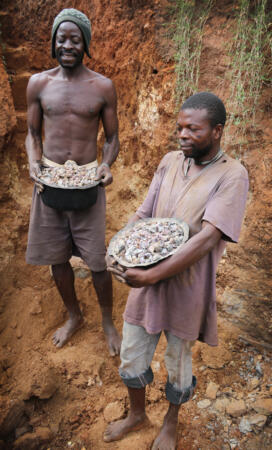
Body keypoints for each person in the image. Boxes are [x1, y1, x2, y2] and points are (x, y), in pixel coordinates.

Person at [104, 92, 249, 448]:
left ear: (216, 131)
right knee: (133, 352)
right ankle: (137, 414)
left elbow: (208, 238)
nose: (182, 134)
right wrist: (118, 248)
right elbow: (144, 213)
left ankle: (171, 422)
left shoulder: (232, 175)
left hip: (187, 286)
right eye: (180, 127)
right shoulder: (170, 161)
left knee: (179, 360)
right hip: (145, 282)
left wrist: (153, 274)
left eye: (192, 129)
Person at [25, 8, 121, 355]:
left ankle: (108, 321)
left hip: (87, 183)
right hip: (49, 182)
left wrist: (106, 166)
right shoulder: (39, 84)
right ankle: (74, 315)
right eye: (61, 38)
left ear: (86, 45)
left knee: (97, 262)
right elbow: (32, 133)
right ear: (53, 42)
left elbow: (112, 138)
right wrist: (34, 162)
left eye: (75, 39)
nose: (67, 45)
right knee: (57, 257)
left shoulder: (102, 87)